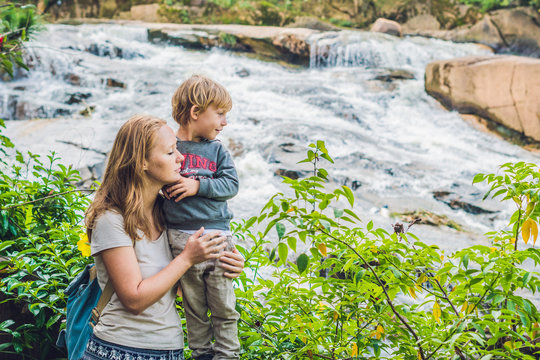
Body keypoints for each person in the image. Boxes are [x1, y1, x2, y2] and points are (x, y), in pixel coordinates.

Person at [81, 115, 244, 360]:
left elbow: (177, 288)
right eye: (170, 153)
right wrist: (188, 258)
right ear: (142, 162)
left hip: (169, 350)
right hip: (118, 350)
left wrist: (219, 261)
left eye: (177, 149)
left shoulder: (168, 213)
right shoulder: (111, 219)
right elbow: (134, 299)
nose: (181, 158)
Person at [162, 75, 239, 360]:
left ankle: (227, 353)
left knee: (223, 303)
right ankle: (201, 353)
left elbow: (231, 185)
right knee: (193, 304)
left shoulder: (218, 150)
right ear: (196, 112)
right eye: (220, 114)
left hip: (217, 237)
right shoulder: (169, 147)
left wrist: (197, 185)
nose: (224, 122)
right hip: (180, 239)